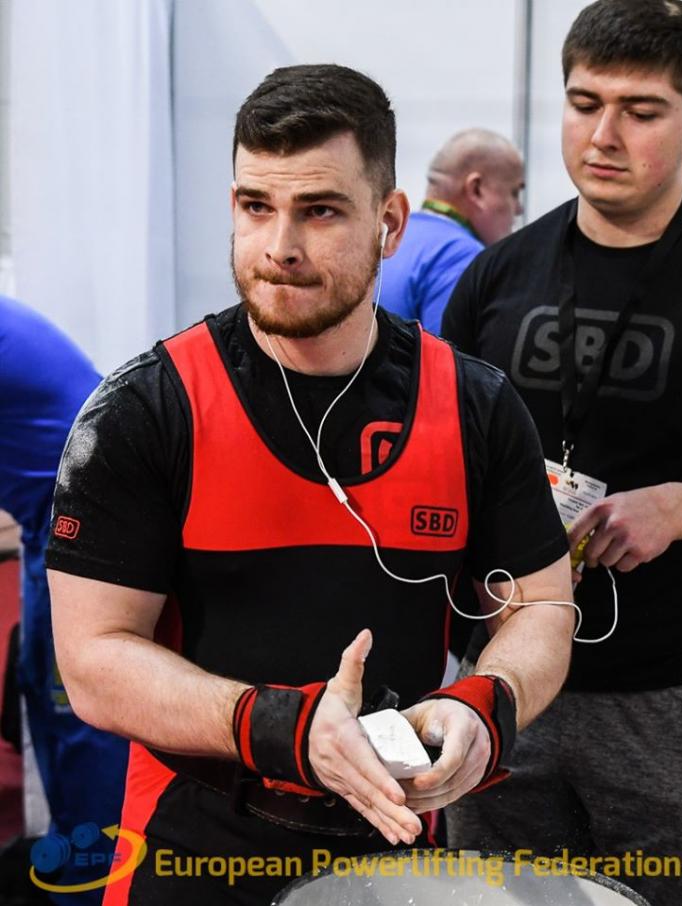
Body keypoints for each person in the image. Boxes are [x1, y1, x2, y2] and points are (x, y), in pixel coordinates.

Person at [45, 64, 574, 905]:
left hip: (394, 842)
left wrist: (487, 702)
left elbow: (541, 606)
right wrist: (281, 728)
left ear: (390, 222)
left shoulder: (474, 406)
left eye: (319, 210)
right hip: (191, 843)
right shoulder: (146, 407)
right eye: (257, 206)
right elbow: (93, 660)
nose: (279, 246)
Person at [441, 3, 682, 905]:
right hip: (507, 686)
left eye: (640, 111)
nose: (604, 135)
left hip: (680, 704)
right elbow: (442, 463)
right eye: (583, 103)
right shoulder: (496, 277)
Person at [0, 295, 129, 904]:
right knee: (44, 696)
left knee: (78, 715)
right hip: (48, 520)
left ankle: (90, 887)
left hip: (82, 520)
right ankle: (67, 871)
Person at [379, 129, 524, 333]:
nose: (519, 208)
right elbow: (450, 351)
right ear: (476, 189)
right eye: (514, 192)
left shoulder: (391, 238)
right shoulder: (460, 257)